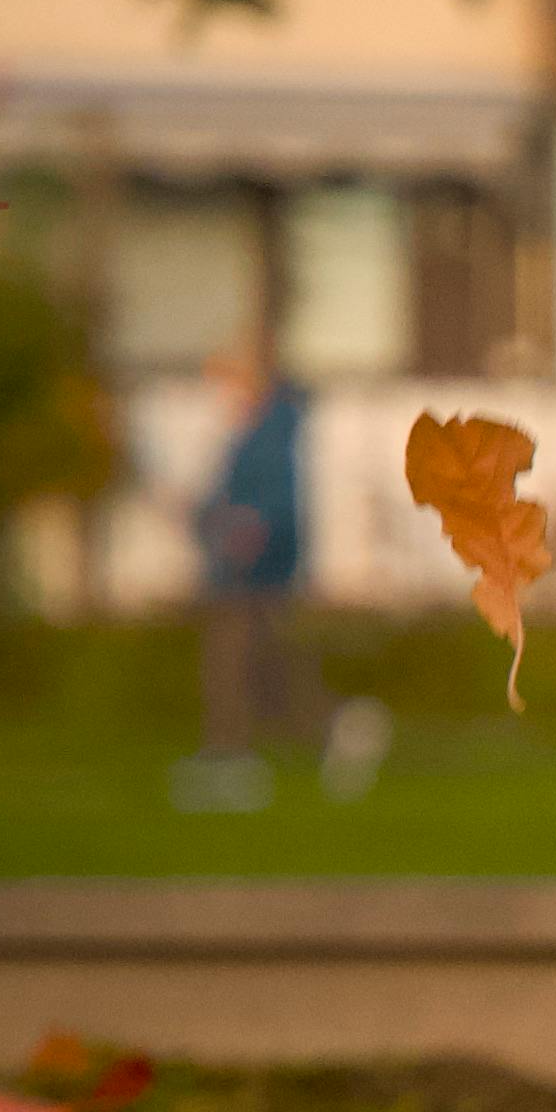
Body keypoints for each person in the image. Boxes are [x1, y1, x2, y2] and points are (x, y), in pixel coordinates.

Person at [183, 337, 313, 802]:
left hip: (252, 573)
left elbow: (274, 507)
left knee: (230, 664)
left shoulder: (268, 434)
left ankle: (231, 760)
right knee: (265, 667)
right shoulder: (257, 431)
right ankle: (328, 731)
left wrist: (243, 528)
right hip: (243, 569)